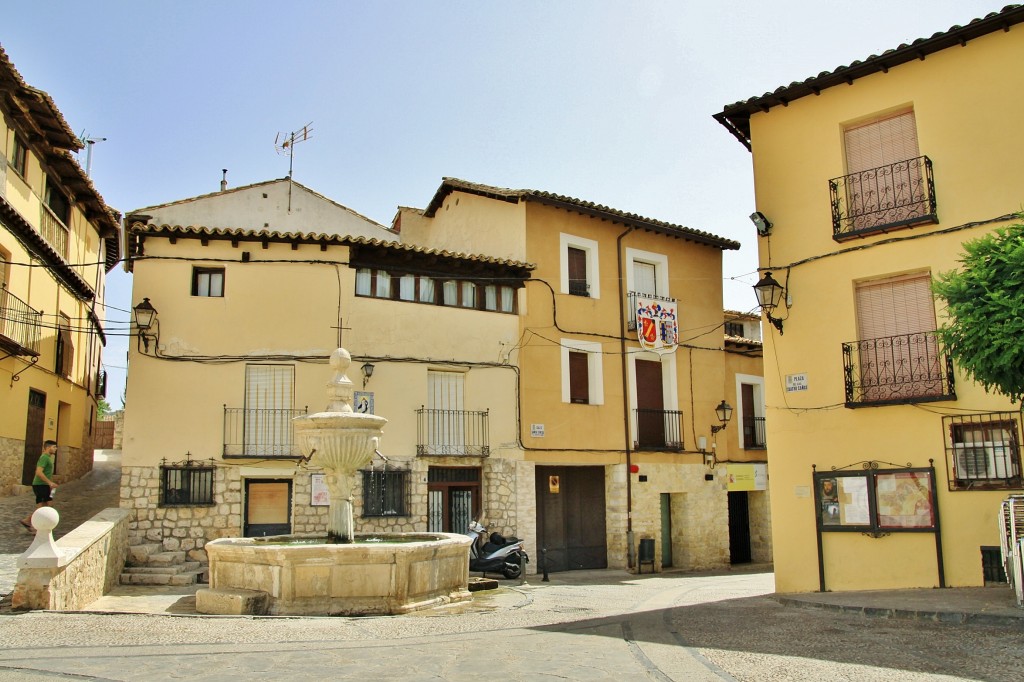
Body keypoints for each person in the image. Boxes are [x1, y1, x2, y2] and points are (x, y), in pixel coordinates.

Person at [20, 440, 58, 531]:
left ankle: (28, 521)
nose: (56, 449)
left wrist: (49, 484)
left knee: (46, 506)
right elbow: (38, 472)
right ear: (48, 448)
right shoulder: (44, 457)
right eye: (54, 447)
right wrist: (50, 483)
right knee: (44, 507)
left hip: (44, 485)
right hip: (40, 485)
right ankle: (36, 527)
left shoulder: (47, 458)